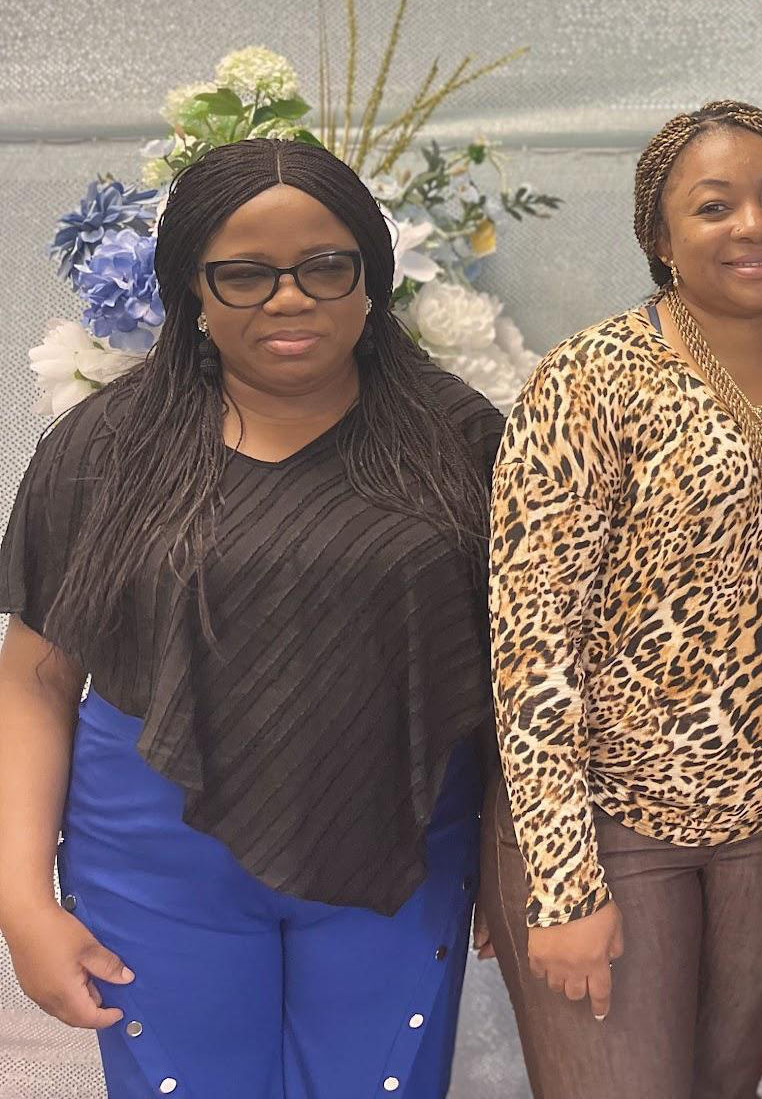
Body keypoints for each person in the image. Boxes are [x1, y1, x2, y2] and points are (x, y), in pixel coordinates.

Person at [0, 138, 500, 1097]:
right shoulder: (102, 449)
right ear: (192, 286)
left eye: (324, 265)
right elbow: (35, 678)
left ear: (372, 277)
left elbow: (527, 672)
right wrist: (22, 901)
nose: (289, 296)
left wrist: (524, 859)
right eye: (246, 274)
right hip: (150, 855)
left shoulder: (460, 440)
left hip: (398, 843)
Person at [482, 100, 762, 1097]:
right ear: (658, 234)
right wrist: (561, 882)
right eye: (714, 206)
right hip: (610, 826)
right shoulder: (589, 381)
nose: (753, 226)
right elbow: (532, 649)